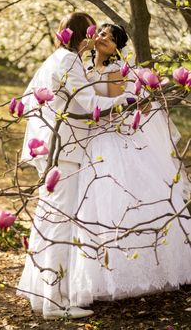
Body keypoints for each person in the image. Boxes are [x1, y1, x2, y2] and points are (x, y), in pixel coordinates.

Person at [17, 14, 131, 320]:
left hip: (59, 152)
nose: (96, 37)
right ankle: (55, 303)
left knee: (50, 223)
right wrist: (128, 99)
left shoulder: (59, 57)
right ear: (83, 36)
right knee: (59, 227)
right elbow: (89, 102)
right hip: (66, 154)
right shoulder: (69, 61)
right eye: (92, 32)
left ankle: (46, 297)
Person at [69, 23, 191, 306]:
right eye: (100, 34)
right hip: (91, 141)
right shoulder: (83, 68)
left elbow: (118, 108)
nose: (101, 39)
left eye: (109, 39)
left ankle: (130, 273)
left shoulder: (115, 72)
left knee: (116, 203)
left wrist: (90, 113)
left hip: (110, 141)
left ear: (117, 49)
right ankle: (97, 273)